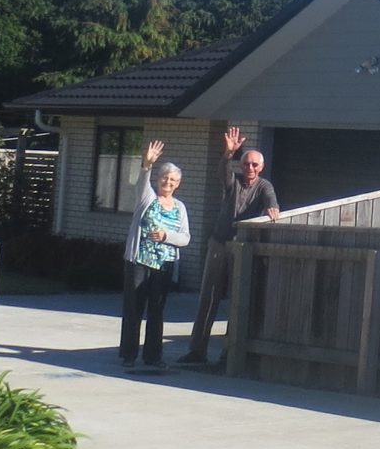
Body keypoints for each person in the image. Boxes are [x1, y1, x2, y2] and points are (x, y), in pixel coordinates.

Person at [177, 126, 278, 364]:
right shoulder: (234, 182)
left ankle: (228, 354)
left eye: (254, 165)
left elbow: (272, 203)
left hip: (241, 247)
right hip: (219, 242)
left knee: (237, 299)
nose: (250, 168)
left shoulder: (264, 186)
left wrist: (272, 209)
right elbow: (223, 172)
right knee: (208, 296)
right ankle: (197, 351)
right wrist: (228, 154)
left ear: (261, 167)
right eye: (246, 164)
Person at [119, 139, 191, 368]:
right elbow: (142, 183)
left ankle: (153, 356)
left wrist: (166, 236)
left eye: (172, 180)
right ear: (158, 179)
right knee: (134, 308)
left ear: (178, 184)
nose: (168, 182)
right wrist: (147, 164)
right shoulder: (147, 198)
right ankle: (129, 355)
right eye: (165, 178)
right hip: (139, 261)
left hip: (164, 264)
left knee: (156, 310)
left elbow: (185, 238)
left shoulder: (180, 207)